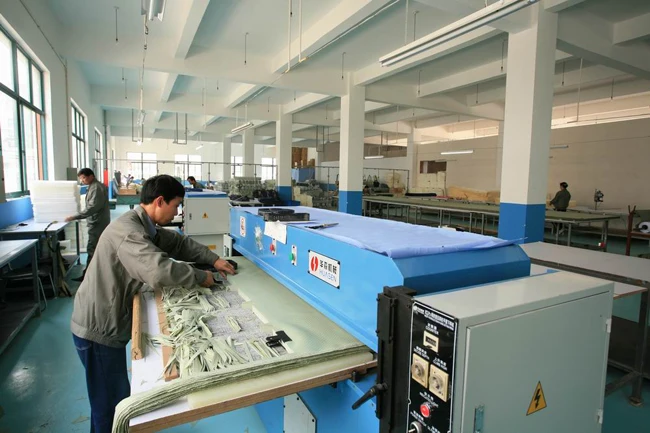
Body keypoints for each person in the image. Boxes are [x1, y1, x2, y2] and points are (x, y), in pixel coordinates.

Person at [70, 175, 236, 433]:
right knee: (111, 406)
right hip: (98, 328)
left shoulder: (145, 226)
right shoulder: (130, 232)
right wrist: (200, 276)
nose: (178, 212)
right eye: (176, 205)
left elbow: (178, 243)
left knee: (113, 398)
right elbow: (158, 271)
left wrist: (214, 259)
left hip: (105, 320)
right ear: (160, 201)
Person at [65, 168, 110, 282]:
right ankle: (93, 275)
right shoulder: (93, 186)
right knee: (96, 248)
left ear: (91, 176)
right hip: (97, 221)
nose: (82, 181)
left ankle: (88, 277)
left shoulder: (96, 188)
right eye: (81, 179)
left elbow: (92, 207)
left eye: (84, 178)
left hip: (98, 223)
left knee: (92, 248)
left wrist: (75, 216)